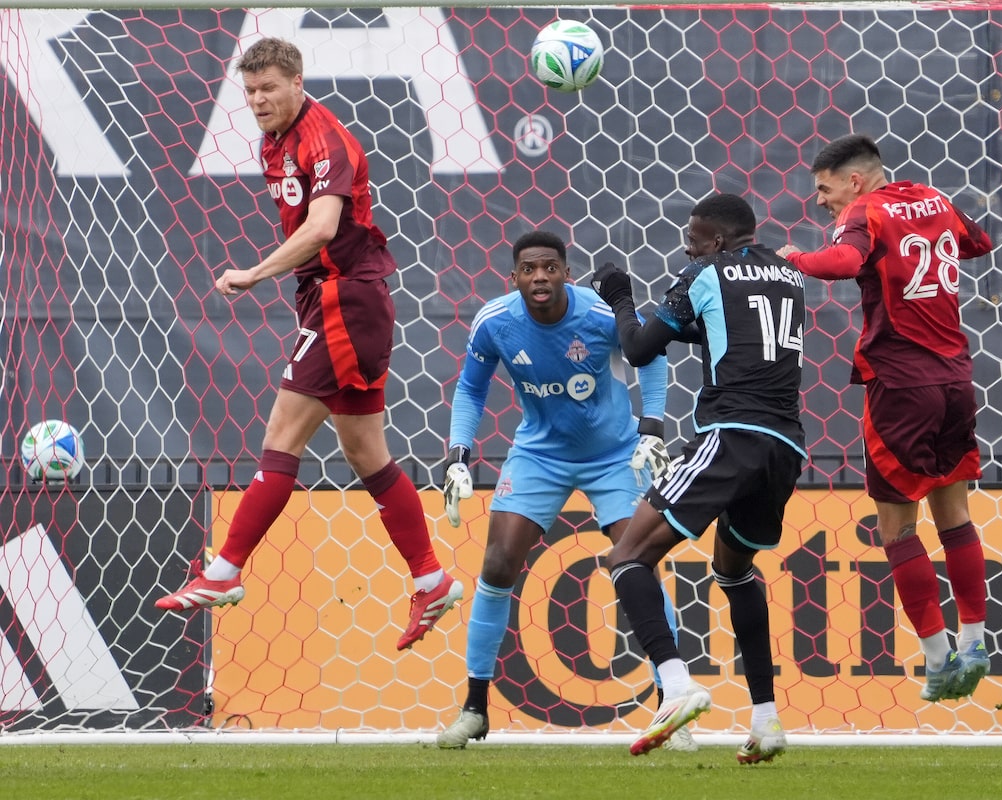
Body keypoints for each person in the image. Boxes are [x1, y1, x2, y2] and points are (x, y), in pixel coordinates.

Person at [156, 37, 462, 653]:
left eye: (269, 88)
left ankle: (224, 573)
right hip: (339, 300)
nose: (259, 100)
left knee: (281, 439)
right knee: (367, 455)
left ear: (298, 82)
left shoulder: (327, 138)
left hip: (343, 301)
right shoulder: (277, 139)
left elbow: (323, 227)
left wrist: (253, 272)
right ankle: (431, 578)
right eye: (250, 91)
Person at [435, 230, 699, 751]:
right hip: (540, 455)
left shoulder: (599, 315)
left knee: (637, 564)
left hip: (615, 455)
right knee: (496, 566)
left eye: (550, 268)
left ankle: (675, 710)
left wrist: (651, 426)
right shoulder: (496, 322)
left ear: (566, 273)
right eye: (529, 269)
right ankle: (474, 708)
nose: (540, 277)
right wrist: (458, 452)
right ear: (514, 277)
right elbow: (471, 386)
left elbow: (651, 355)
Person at [590, 194, 808, 762]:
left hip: (731, 436)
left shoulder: (704, 271)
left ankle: (676, 685)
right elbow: (726, 332)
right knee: (735, 573)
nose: (685, 245)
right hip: (785, 448)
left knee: (627, 557)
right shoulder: (788, 275)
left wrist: (621, 298)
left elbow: (638, 350)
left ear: (717, 240)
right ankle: (766, 721)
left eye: (693, 236)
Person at [777, 132, 993, 703]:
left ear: (854, 180)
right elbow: (979, 242)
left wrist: (795, 259)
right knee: (955, 514)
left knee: (896, 528)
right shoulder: (935, 200)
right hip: (956, 380)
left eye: (824, 189)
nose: (821, 201)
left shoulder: (867, 211)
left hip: (900, 384)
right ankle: (976, 641)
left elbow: (844, 261)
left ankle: (939, 660)